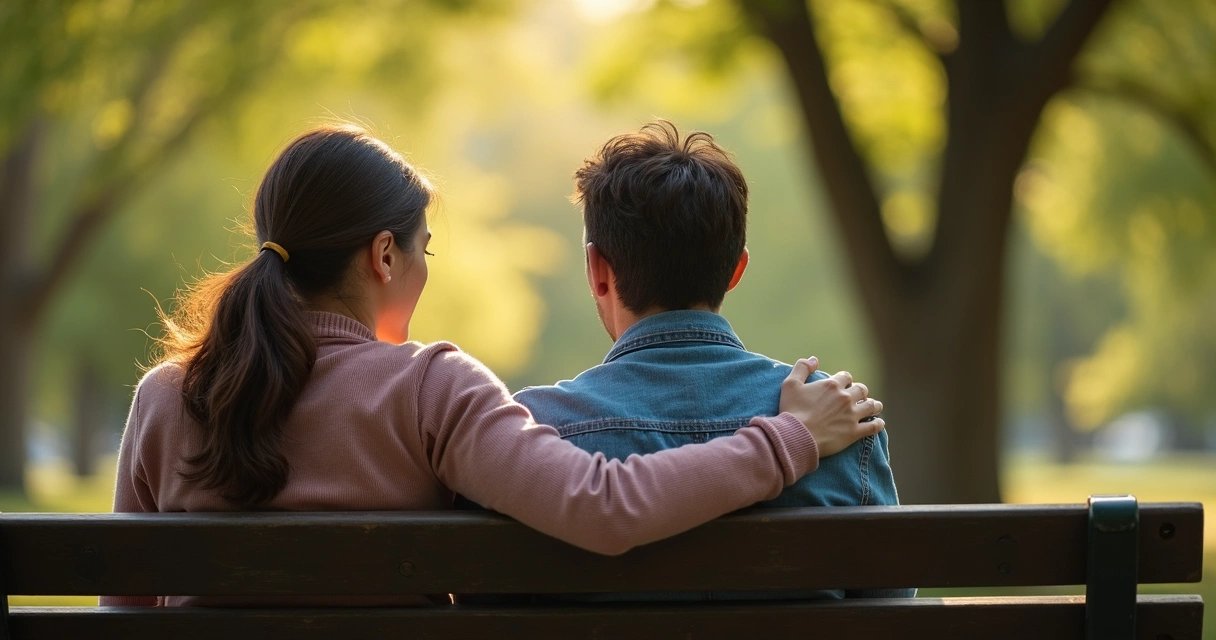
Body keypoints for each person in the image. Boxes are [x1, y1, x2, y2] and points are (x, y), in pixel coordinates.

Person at [102, 124, 885, 607]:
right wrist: (787, 441)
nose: (425, 271)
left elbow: (127, 605)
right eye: (423, 251)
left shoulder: (166, 396)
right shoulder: (428, 389)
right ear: (383, 256)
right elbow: (602, 506)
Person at [508, 120, 912, 600]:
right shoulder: (839, 420)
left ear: (598, 271)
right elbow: (887, 610)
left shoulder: (529, 431)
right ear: (736, 269)